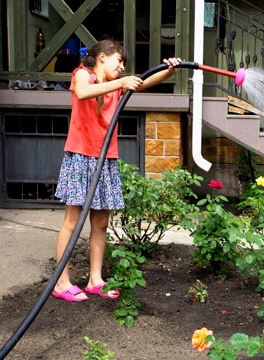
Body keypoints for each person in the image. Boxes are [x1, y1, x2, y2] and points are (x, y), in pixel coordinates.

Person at [52, 39, 182, 302]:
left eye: (124, 64)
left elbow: (144, 83)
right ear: (102, 57)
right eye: (118, 61)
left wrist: (170, 71)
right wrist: (121, 83)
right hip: (81, 157)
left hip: (105, 159)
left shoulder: (116, 88)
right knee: (72, 220)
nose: (122, 67)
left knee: (100, 223)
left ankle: (95, 279)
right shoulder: (82, 74)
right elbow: (82, 93)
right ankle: (61, 282)